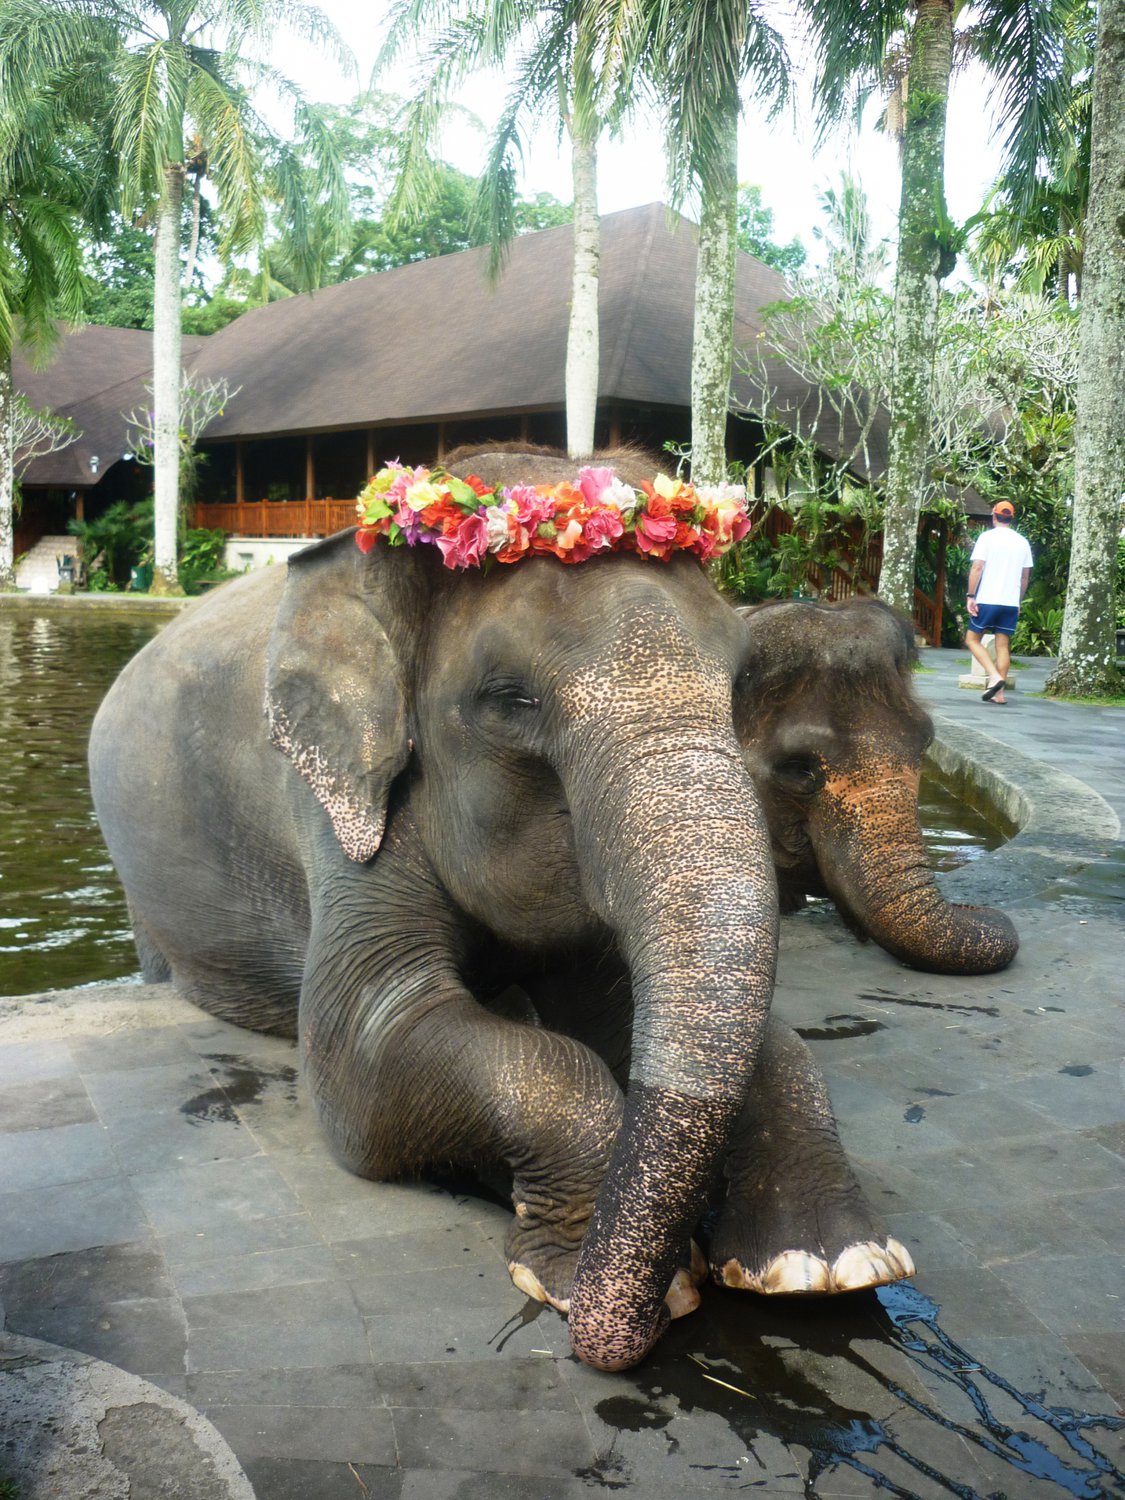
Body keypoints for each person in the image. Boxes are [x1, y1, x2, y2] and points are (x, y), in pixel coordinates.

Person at [964, 501, 1033, 705]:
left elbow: (977, 567)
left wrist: (970, 595)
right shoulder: (1023, 542)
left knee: (972, 639)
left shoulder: (986, 538)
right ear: (1011, 518)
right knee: (1003, 645)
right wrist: (1018, 601)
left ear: (994, 516)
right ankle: (999, 694)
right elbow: (1024, 578)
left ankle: (994, 677)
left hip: (988, 599)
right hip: (1010, 602)